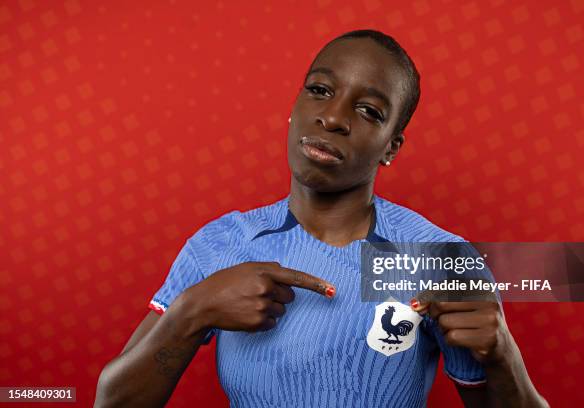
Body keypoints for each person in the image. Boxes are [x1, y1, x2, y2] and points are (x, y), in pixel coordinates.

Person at [94, 29, 548, 407]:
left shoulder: (438, 257)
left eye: (368, 111)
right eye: (320, 91)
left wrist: (502, 355)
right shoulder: (219, 244)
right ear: (294, 108)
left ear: (391, 146)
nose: (332, 117)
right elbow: (110, 402)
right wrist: (189, 314)